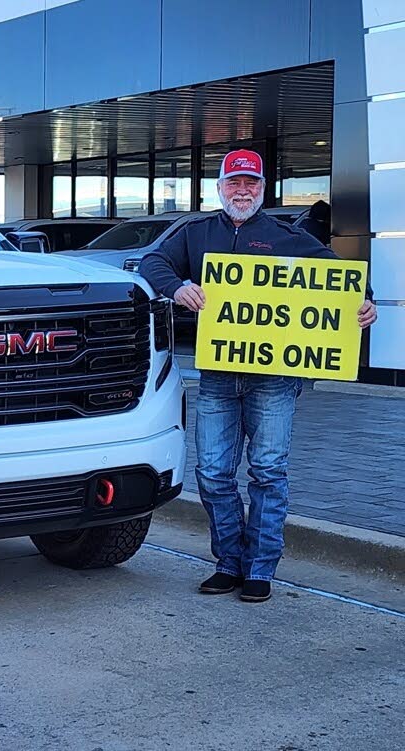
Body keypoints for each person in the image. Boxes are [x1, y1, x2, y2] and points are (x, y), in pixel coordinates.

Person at [139, 149, 377, 603]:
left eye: (251, 184)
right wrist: (178, 286)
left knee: (268, 472)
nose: (242, 191)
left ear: (263, 189)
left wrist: (364, 302)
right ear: (220, 187)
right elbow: (153, 263)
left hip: (274, 379)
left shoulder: (287, 236)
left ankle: (260, 568)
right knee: (211, 473)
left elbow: (345, 280)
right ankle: (228, 561)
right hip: (218, 377)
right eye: (234, 183)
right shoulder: (194, 232)